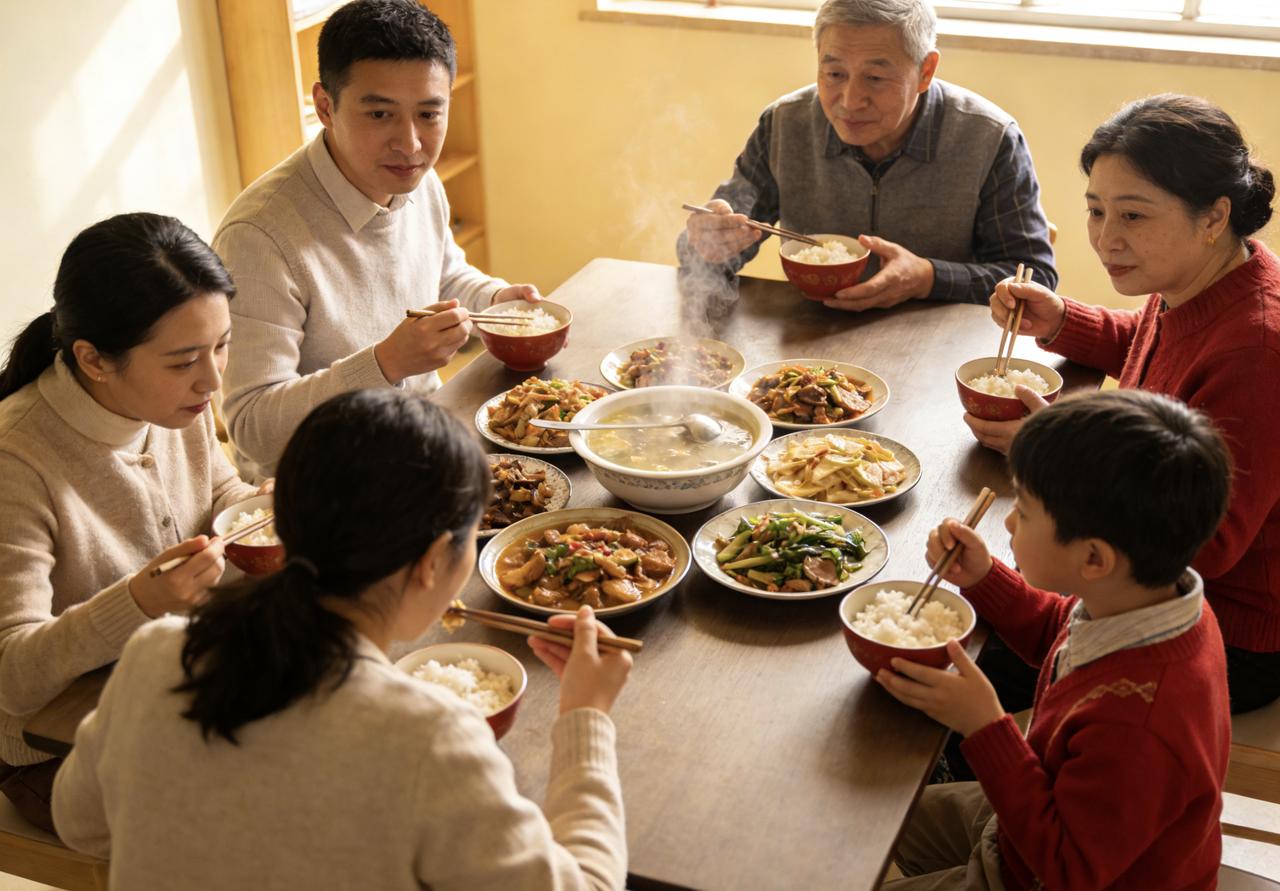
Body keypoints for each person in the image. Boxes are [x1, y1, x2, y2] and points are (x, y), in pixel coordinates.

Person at [52, 389, 631, 889]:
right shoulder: (430, 739)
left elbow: (79, 824)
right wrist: (586, 714)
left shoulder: (159, 653)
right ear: (432, 563)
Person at [966, 93, 1280, 713]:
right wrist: (1061, 320)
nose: (1107, 239)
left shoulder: (1261, 349)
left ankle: (981, 792)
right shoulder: (1205, 278)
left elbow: (1205, 543)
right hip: (1136, 580)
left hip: (1210, 625)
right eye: (1095, 211)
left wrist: (1065, 453)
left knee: (954, 644)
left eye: (1133, 216)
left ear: (1214, 216)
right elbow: (1161, 352)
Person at [881, 390, 1231, 890]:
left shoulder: (1141, 724)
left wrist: (986, 727)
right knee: (878, 809)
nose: (1006, 520)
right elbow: (1059, 630)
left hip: (1053, 871)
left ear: (1093, 560)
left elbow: (1067, 869)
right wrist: (985, 578)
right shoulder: (1151, 601)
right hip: (1030, 819)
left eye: (1022, 510)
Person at [0, 213, 260, 831]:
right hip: (57, 751)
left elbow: (216, 490)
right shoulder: (17, 461)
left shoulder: (171, 397)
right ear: (92, 359)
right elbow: (11, 676)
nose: (213, 377)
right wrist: (139, 602)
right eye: (184, 360)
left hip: (177, 682)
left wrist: (260, 506)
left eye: (222, 345)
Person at [215, 0, 540, 480]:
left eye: (429, 114)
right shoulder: (259, 236)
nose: (409, 143)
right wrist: (385, 364)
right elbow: (253, 427)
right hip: (324, 487)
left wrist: (493, 300)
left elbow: (444, 273)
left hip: (422, 443)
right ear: (325, 106)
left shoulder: (416, 178)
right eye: (380, 114)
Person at [677, 0, 1056, 312]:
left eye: (875, 78)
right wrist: (707, 243)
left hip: (940, 352)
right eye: (835, 73)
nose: (850, 101)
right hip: (807, 345)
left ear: (926, 71)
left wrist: (926, 277)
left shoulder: (988, 137)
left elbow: (1034, 278)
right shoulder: (785, 123)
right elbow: (705, 253)